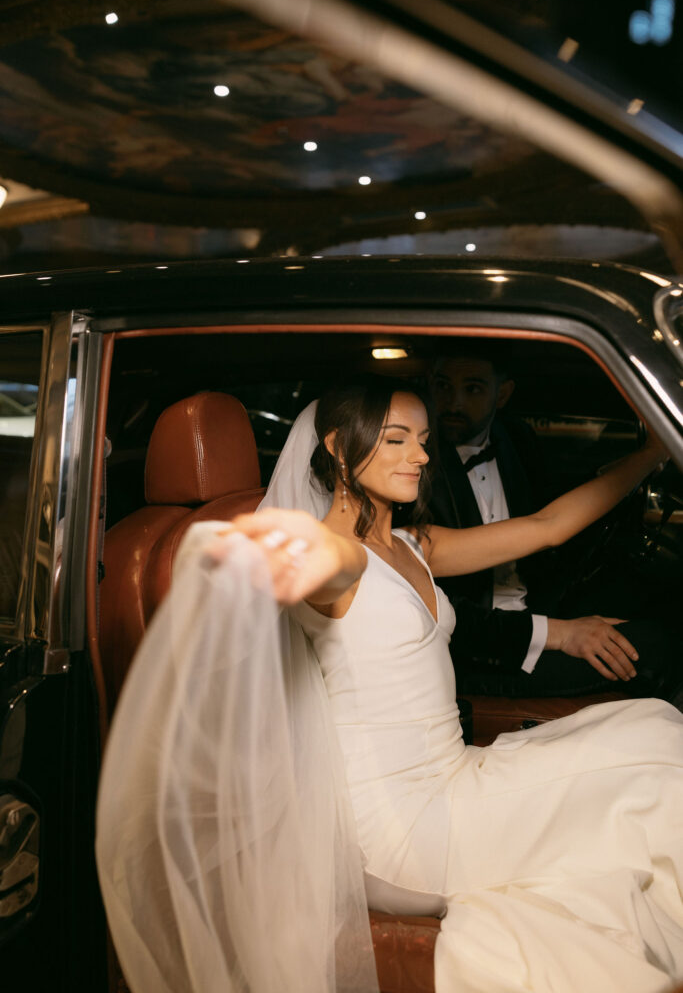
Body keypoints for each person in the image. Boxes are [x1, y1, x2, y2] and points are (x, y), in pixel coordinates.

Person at [96, 380, 683, 993]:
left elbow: (548, 526)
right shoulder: (337, 557)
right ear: (339, 450)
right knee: (660, 770)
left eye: (424, 441)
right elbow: (326, 559)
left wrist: (655, 451)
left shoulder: (413, 544)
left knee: (652, 729)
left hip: (453, 778)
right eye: (397, 439)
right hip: (403, 831)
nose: (423, 456)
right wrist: (281, 551)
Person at [429, 348, 683, 700]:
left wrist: (648, 457)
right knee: (658, 650)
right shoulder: (419, 477)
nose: (452, 403)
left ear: (502, 395)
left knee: (667, 605)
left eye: (472, 389)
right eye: (442, 387)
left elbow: (553, 511)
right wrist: (561, 633)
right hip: (484, 650)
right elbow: (548, 527)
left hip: (537, 605)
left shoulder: (514, 439)